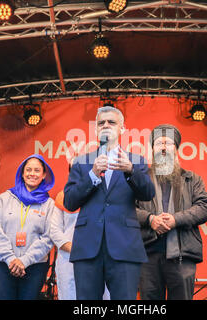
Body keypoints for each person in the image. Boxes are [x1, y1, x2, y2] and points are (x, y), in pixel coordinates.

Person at [64, 106, 155, 300]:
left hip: (125, 247)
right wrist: (92, 175)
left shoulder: (136, 161)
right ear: (96, 130)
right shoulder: (81, 162)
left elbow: (148, 194)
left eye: (111, 122)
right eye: (101, 123)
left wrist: (131, 171)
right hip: (88, 249)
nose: (106, 125)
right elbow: (70, 202)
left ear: (122, 129)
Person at [136, 124, 207, 300]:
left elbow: (204, 207)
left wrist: (175, 220)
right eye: (159, 143)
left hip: (182, 256)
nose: (163, 147)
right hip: (147, 255)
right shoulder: (140, 178)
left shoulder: (192, 179)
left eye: (168, 143)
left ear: (176, 149)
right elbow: (127, 208)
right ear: (152, 148)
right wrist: (150, 219)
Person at [0, 154, 55, 300]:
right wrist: (11, 259)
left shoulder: (49, 204)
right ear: (22, 172)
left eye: (37, 170)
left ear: (44, 174)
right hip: (4, 265)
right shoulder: (4, 198)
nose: (32, 174)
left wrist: (24, 261)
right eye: (28, 170)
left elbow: (48, 238)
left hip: (35, 267)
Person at [50, 159, 110, 300]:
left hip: (99, 257)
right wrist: (76, 248)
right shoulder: (63, 196)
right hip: (68, 258)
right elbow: (54, 230)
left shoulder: (104, 195)